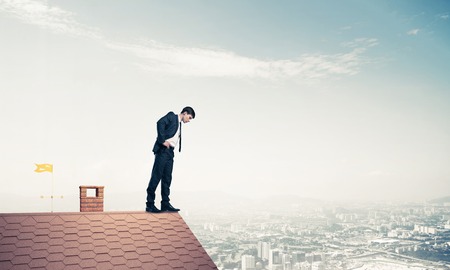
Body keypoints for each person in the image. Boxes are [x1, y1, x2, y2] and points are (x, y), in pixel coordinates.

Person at [146, 106, 195, 213]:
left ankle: (165, 204)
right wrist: (162, 140)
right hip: (163, 150)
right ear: (185, 113)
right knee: (156, 176)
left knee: (167, 178)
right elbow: (159, 123)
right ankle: (150, 204)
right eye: (189, 117)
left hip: (170, 153)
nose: (189, 120)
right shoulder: (172, 116)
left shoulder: (179, 123)